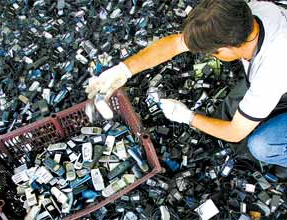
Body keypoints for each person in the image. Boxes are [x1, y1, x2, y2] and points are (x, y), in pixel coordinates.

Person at [85, 0, 287, 168]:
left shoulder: (271, 73)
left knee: (261, 145)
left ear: (226, 48)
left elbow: (234, 132)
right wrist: (123, 70)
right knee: (233, 107)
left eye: (211, 52)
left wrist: (188, 117)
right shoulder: (245, 12)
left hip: (277, 73)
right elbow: (177, 43)